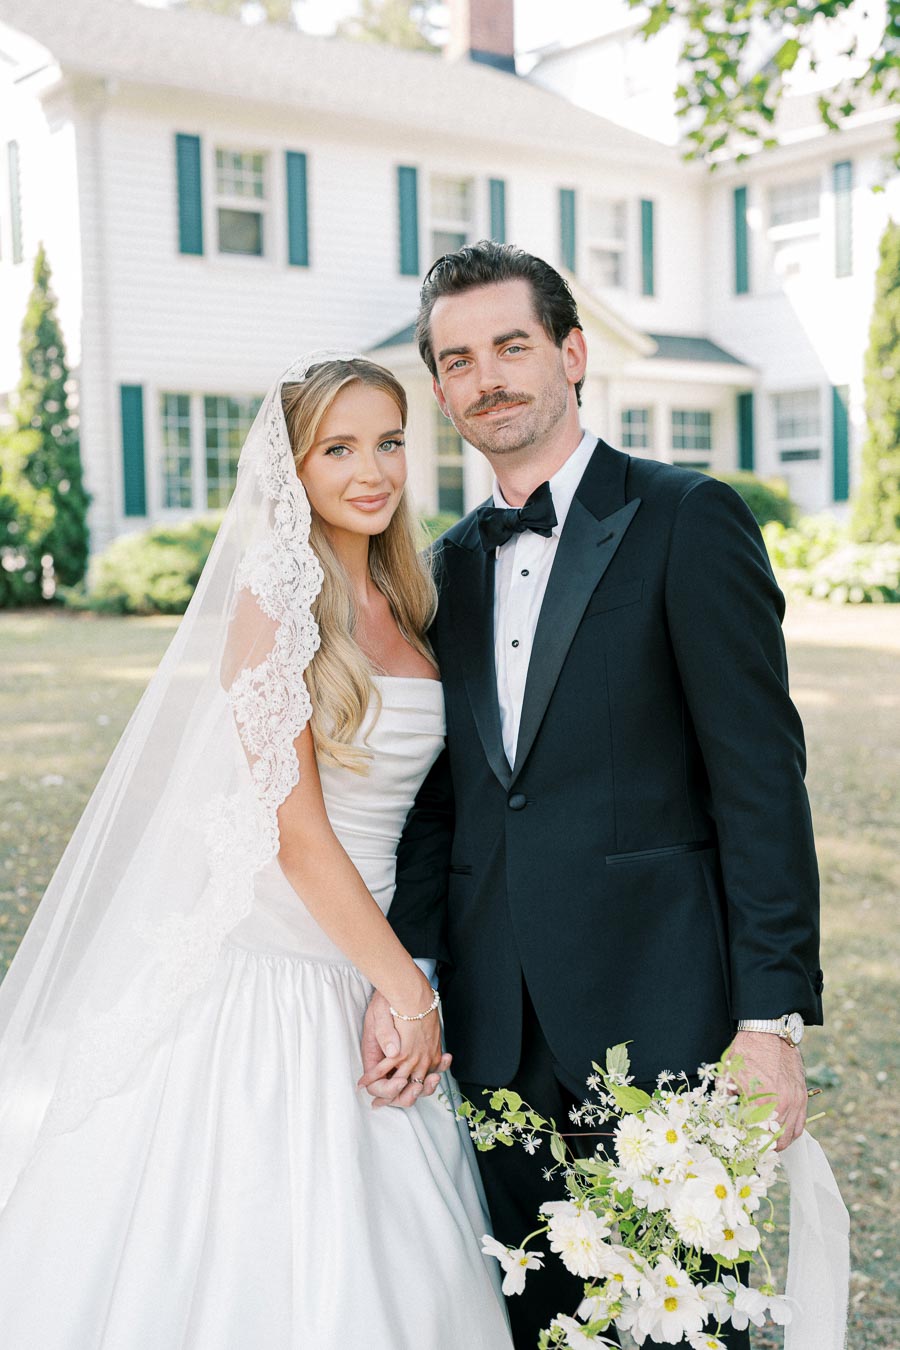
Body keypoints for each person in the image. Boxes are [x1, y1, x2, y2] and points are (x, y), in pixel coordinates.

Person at [360, 243, 824, 1348]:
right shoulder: (442, 569)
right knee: (536, 1327)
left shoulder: (687, 519)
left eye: (512, 345)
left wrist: (770, 1021)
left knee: (680, 1325)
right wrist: (408, 970)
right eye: (459, 359)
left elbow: (760, 778)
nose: (489, 378)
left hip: (663, 1021)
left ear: (573, 353)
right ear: (438, 389)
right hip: (494, 1033)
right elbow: (442, 805)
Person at [0, 353, 513, 1349]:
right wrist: (408, 992)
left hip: (370, 956)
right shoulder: (274, 599)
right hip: (284, 966)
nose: (372, 471)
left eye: (391, 442)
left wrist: (403, 971)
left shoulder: (414, 600)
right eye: (340, 448)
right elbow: (293, 831)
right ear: (294, 466)